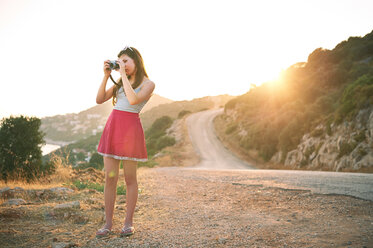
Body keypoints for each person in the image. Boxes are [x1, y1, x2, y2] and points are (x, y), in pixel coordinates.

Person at [95, 46, 155, 237]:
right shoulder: (121, 82)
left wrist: (121, 73)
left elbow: (132, 100)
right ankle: (108, 224)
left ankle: (128, 223)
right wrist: (106, 76)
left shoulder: (148, 84)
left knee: (130, 179)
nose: (123, 65)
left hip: (130, 132)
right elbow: (99, 99)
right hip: (113, 128)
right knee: (110, 178)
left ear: (136, 61)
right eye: (120, 61)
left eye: (126, 61)